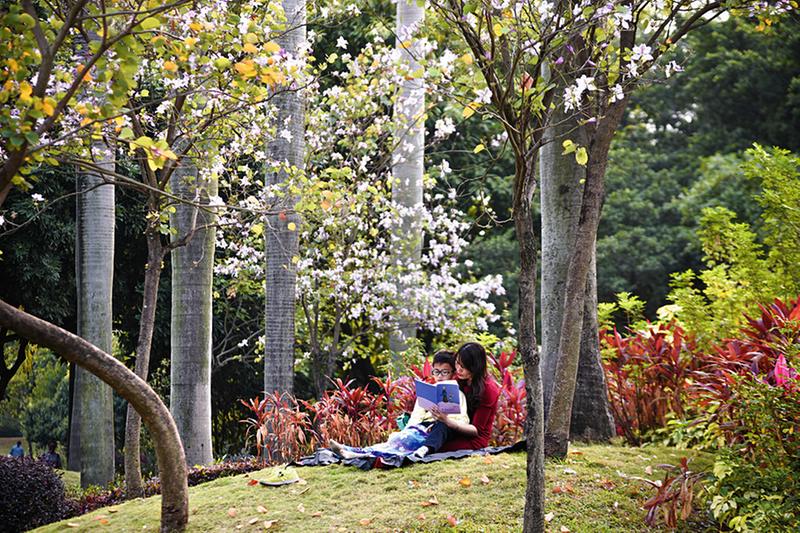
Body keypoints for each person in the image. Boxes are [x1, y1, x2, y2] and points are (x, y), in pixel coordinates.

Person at [328, 350, 468, 461]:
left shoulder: (457, 394)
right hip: (420, 428)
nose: (440, 376)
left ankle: (359, 453)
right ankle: (353, 451)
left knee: (416, 438)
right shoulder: (427, 392)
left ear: (452, 373)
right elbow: (415, 417)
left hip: (439, 430)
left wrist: (445, 418)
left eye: (445, 372)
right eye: (436, 372)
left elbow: (463, 421)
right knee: (399, 440)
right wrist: (409, 430)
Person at [412, 341, 500, 457]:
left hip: (472, 438)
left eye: (463, 367)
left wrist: (446, 420)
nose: (458, 369)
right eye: (457, 364)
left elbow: (476, 430)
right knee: (425, 438)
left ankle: (425, 448)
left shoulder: (488, 390)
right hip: (452, 428)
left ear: (475, 367)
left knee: (434, 447)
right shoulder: (461, 380)